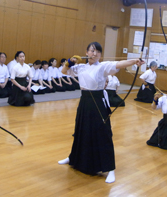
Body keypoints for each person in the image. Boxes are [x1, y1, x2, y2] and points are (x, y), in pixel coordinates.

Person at [58, 42, 144, 183]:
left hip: (97, 102)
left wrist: (134, 61)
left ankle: (110, 169)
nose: (95, 54)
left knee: (102, 134)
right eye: (92, 51)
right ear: (86, 52)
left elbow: (118, 64)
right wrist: (69, 61)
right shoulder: (80, 67)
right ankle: (73, 157)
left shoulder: (102, 67)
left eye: (98, 51)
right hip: (84, 101)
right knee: (80, 130)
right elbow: (64, 71)